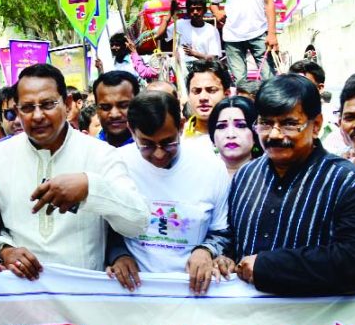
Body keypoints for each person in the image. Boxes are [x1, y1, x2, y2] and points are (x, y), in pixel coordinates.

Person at [216, 74, 355, 295]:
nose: (275, 134)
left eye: (289, 124)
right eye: (265, 123)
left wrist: (269, 266)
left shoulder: (346, 181)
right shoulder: (246, 176)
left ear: (316, 125)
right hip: (248, 323)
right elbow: (230, 236)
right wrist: (222, 257)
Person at [0, 63, 148, 278]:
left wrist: (89, 187)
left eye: (47, 104)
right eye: (27, 107)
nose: (37, 116)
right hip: (23, 296)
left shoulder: (100, 154)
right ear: (17, 111)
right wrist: (6, 250)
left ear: (68, 104)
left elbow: (137, 222)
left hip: (82, 298)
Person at [107, 91, 230, 295]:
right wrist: (118, 255)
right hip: (135, 290)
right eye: (146, 145)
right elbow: (105, 226)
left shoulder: (211, 168)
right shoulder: (116, 164)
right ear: (131, 131)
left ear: (181, 127)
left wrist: (206, 250)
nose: (158, 153)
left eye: (168, 142)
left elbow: (222, 232)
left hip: (195, 290)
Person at [154, 0, 222, 71]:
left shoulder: (212, 30)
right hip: (182, 70)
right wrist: (170, 14)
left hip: (204, 70)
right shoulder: (180, 24)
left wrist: (193, 53)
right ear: (188, 11)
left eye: (199, 9)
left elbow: (214, 58)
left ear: (205, 10)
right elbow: (159, 36)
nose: (195, 12)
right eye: (192, 9)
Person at [208, 96, 263, 176]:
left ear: (255, 133)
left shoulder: (269, 176)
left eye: (241, 126)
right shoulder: (201, 174)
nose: (231, 135)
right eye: (222, 126)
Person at [183, 60, 231, 152]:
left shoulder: (241, 135)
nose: (203, 97)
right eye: (196, 91)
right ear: (188, 95)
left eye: (211, 90)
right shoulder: (178, 138)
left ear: (227, 94)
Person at [93, 71, 139, 147]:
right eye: (105, 107)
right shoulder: (90, 151)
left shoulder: (154, 152)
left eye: (124, 106)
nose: (114, 115)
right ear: (97, 110)